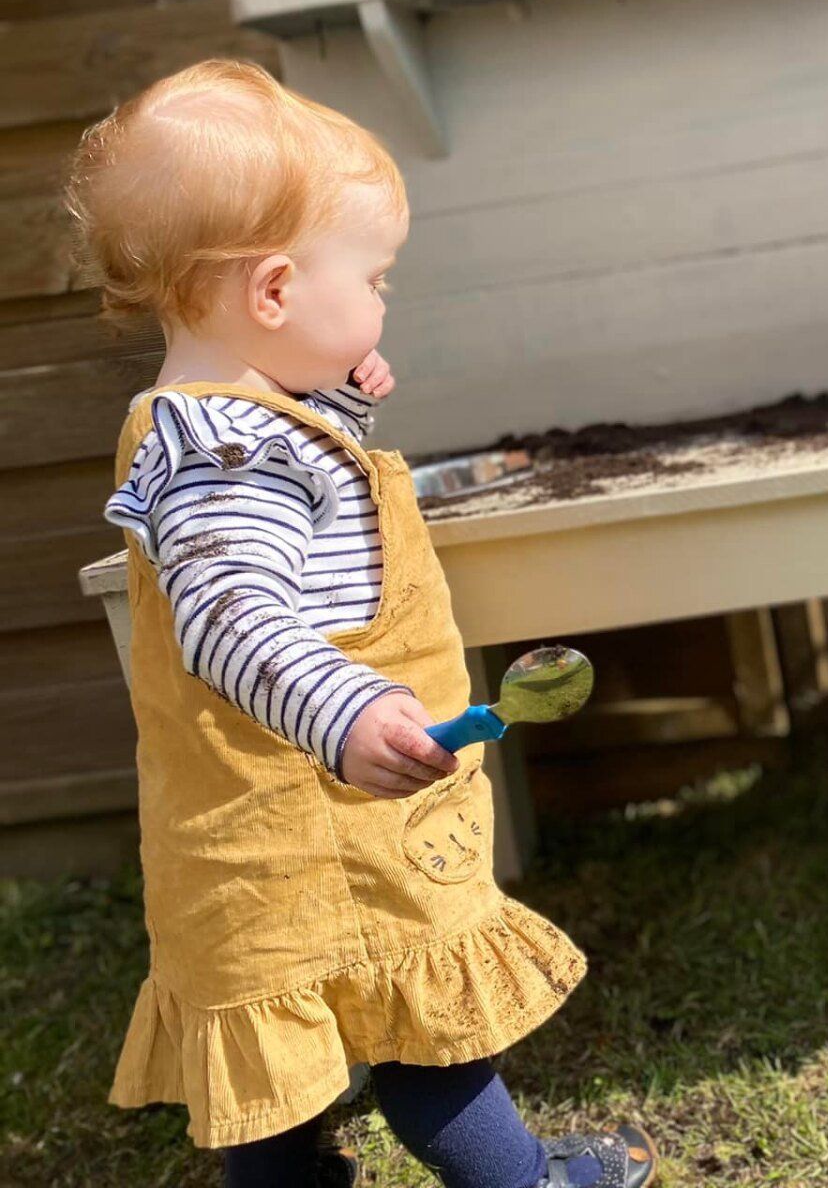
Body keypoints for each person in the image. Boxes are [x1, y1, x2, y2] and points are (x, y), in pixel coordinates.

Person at [72, 60, 659, 1183]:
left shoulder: (223, 426)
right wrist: (345, 708)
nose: (385, 298)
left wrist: (333, 398)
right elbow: (235, 613)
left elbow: (285, 547)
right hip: (322, 817)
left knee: (275, 1083)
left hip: (248, 840)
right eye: (376, 276)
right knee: (423, 1040)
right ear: (278, 293)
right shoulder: (233, 459)